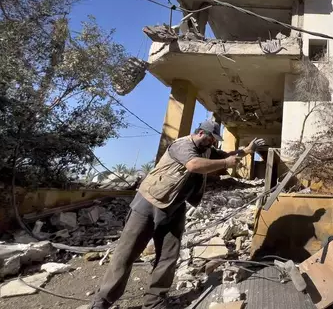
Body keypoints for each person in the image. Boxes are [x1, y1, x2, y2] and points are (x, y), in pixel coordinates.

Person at [90, 120, 265, 309]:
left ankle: (155, 301)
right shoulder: (183, 145)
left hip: (175, 207)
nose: (213, 143)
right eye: (211, 139)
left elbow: (228, 155)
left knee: (168, 256)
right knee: (126, 254)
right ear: (200, 133)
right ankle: (102, 301)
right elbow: (194, 165)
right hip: (149, 203)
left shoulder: (206, 148)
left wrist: (247, 150)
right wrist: (225, 163)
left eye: (215, 140)